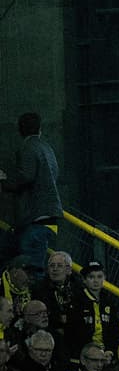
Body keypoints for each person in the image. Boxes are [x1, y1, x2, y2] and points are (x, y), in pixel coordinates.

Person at [0, 112, 63, 284]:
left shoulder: (27, 147)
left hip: (34, 216)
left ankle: (33, 305)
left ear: (20, 130)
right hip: (48, 215)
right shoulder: (47, 148)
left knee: (31, 268)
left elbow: (26, 176)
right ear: (40, 129)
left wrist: (5, 181)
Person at [68, 263, 119, 371]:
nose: (96, 281)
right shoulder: (76, 301)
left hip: (106, 354)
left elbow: (114, 331)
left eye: (99, 276)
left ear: (104, 278)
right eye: (91, 277)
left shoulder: (109, 301)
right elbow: (73, 333)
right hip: (85, 354)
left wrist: (110, 351)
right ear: (84, 280)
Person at [31, 252, 79, 342]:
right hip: (48, 334)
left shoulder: (79, 289)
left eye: (59, 266)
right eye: (52, 266)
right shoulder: (39, 289)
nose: (55, 269)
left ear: (68, 270)